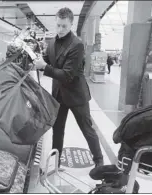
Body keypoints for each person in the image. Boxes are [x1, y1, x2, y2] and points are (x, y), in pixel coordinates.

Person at [33, 7, 104, 168]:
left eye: (64, 26)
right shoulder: (51, 43)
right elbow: (47, 59)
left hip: (76, 96)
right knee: (57, 129)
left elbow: (67, 75)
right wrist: (37, 60)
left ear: (71, 24)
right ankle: (56, 162)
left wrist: (44, 67)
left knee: (87, 129)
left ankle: (99, 161)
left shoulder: (77, 45)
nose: (60, 29)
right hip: (58, 95)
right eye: (58, 25)